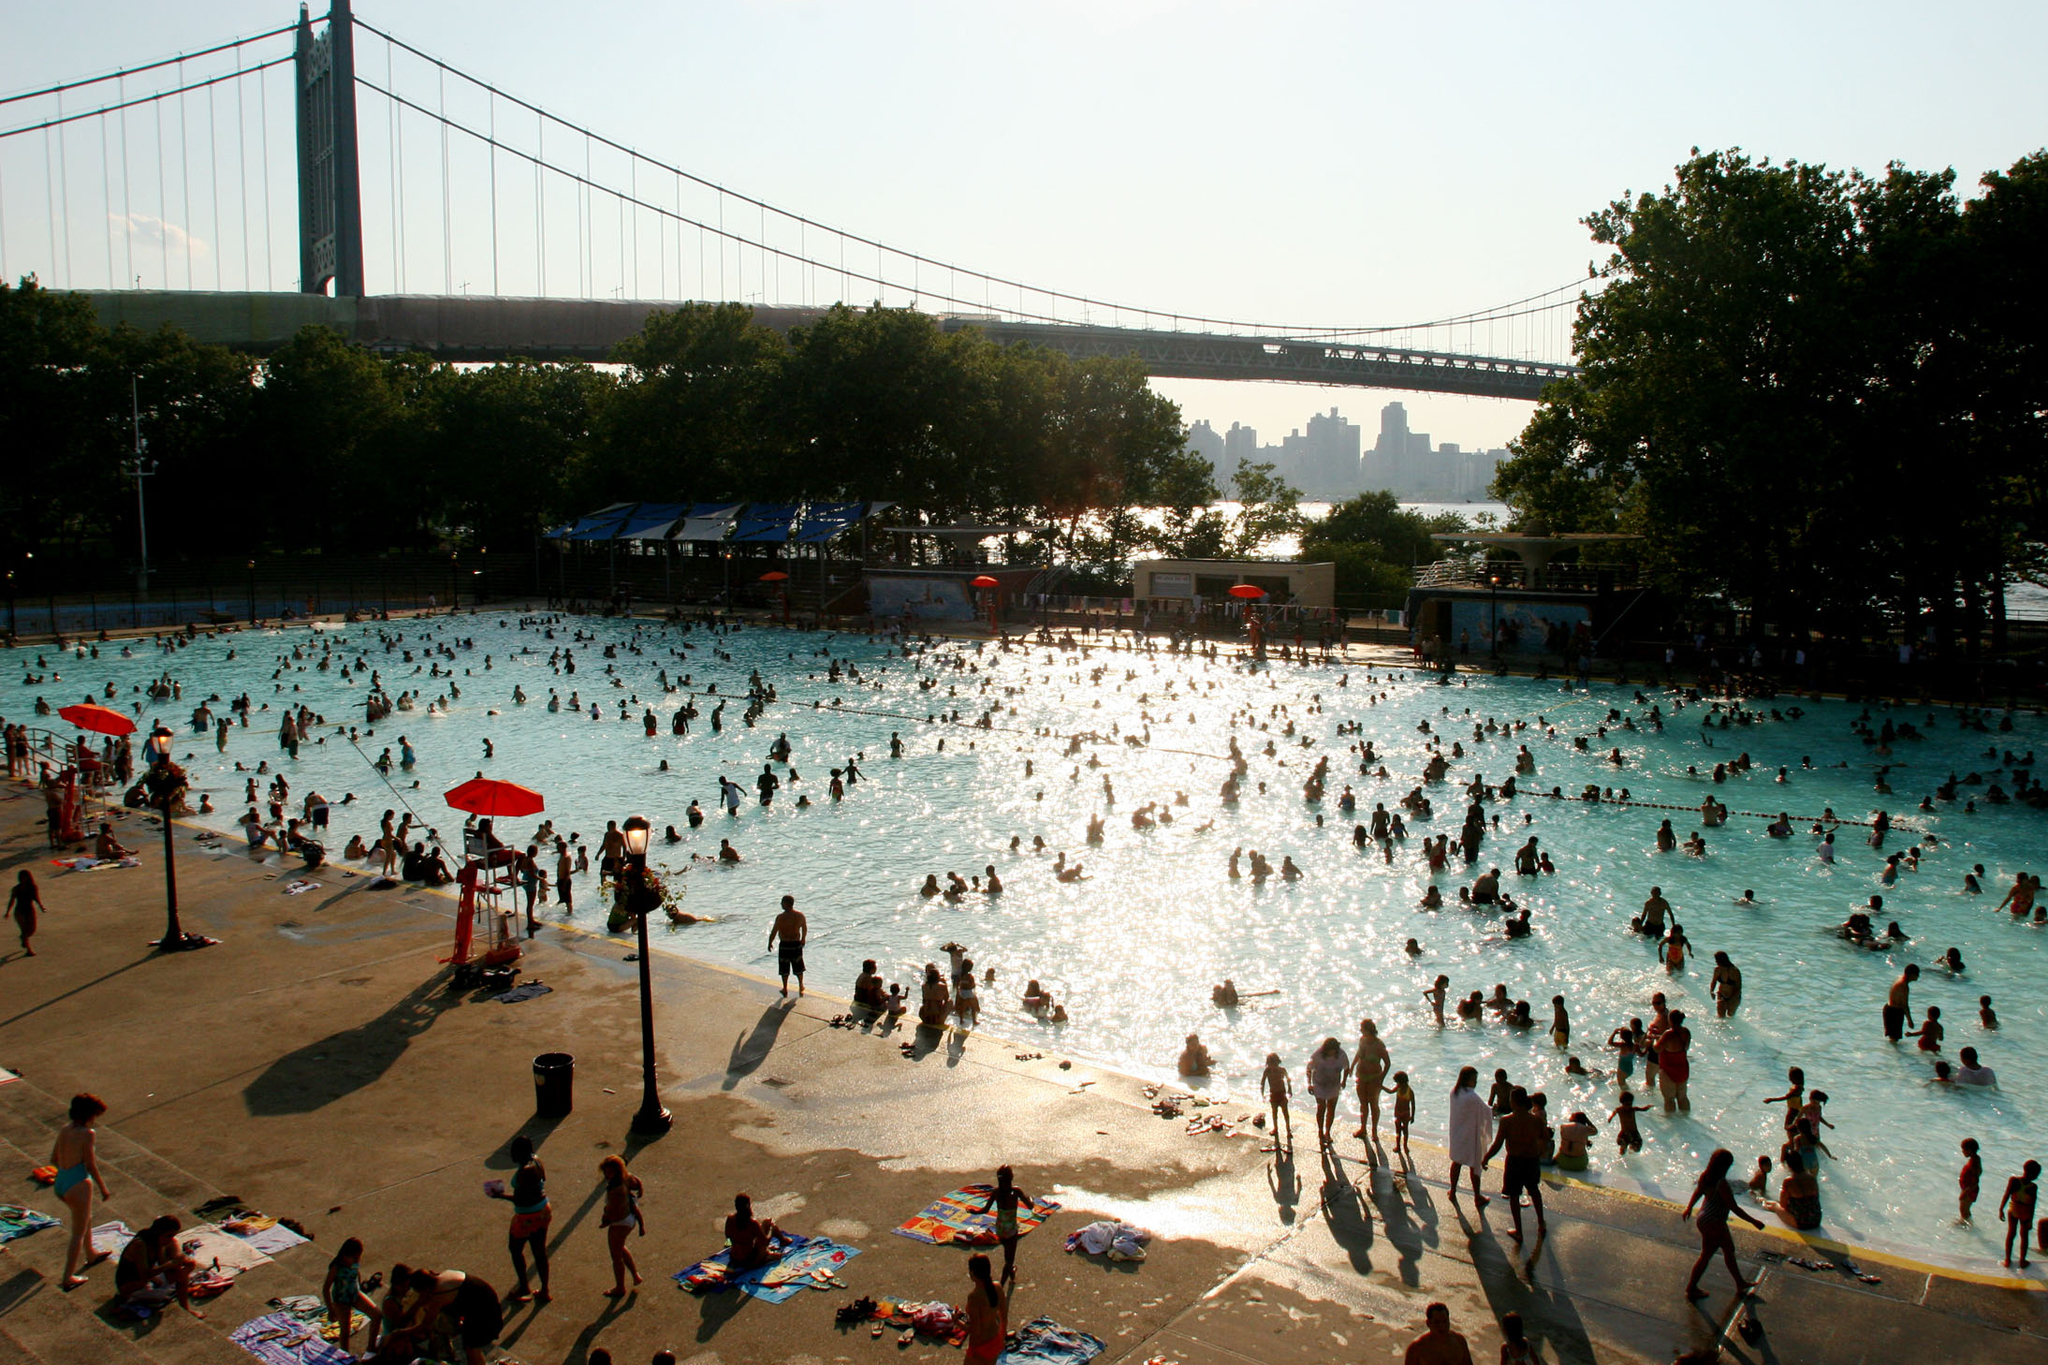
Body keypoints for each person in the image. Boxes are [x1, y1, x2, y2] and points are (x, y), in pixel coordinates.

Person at [1680, 1148, 1763, 1300]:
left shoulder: (1706, 1176)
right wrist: (1754, 1221)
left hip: (1704, 1218)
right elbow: (1734, 1207)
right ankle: (1692, 1287)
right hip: (1715, 1221)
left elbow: (1698, 1192)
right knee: (1711, 1254)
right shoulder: (1721, 1184)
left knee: (1727, 1250)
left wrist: (1689, 1208)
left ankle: (1739, 1282)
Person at [51, 1093, 111, 1289]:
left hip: (61, 1182)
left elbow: (54, 1158)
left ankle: (91, 1252)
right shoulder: (87, 1134)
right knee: (77, 1233)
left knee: (85, 1218)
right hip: (78, 1184)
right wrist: (103, 1188)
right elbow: (91, 1164)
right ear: (89, 1115)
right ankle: (68, 1277)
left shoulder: (65, 1129)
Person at [1482, 1087, 1548, 1241]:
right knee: (1534, 1190)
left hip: (1515, 1161)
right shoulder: (1536, 1120)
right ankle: (1541, 1223)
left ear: (1513, 1101)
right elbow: (1545, 1138)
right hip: (1531, 1160)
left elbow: (1498, 1144)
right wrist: (1540, 1152)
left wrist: (1486, 1158)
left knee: (1513, 1195)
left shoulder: (1507, 1121)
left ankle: (1519, 1230)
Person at [490, 1136, 551, 1302]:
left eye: (514, 1151)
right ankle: (544, 1290)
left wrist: (500, 1196)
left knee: (516, 1249)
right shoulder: (536, 1160)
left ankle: (524, 1287)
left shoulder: (526, 1171)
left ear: (521, 1152)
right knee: (540, 1252)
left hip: (527, 1216)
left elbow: (521, 1199)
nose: (511, 1154)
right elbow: (540, 1184)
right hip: (542, 1210)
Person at [406, 1269, 503, 1365]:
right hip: (481, 1305)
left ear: (425, 1289)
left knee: (472, 1349)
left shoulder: (439, 1296)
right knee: (470, 1347)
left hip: (484, 1312)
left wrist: (398, 1334)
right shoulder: (443, 1277)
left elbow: (425, 1325)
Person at [115, 1215, 202, 1317]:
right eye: (169, 1236)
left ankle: (185, 1306)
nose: (170, 1239)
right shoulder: (140, 1245)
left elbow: (164, 1266)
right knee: (179, 1277)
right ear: (159, 1233)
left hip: (146, 1280)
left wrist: (183, 1263)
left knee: (180, 1274)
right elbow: (145, 1274)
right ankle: (182, 1305)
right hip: (130, 1286)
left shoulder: (158, 1242)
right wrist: (172, 1263)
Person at [973, 1165, 1035, 1278]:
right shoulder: (1016, 1191)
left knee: (1008, 1253)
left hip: (1000, 1229)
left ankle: (1011, 1271)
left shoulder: (996, 1192)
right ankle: (1001, 1285)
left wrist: (974, 1212)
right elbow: (1030, 1206)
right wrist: (1031, 1199)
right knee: (1009, 1259)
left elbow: (986, 1209)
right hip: (1011, 1230)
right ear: (1011, 1177)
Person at [322, 1237, 381, 1355]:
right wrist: (331, 1309)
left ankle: (371, 1347)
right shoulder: (336, 1267)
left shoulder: (354, 1262)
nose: (357, 1260)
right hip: (341, 1300)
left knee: (377, 1315)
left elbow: (356, 1274)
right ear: (345, 1255)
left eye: (358, 1257)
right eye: (354, 1257)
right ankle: (345, 1355)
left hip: (354, 1294)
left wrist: (360, 1286)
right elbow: (326, 1289)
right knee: (345, 1330)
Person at [1446, 1066, 1493, 1206]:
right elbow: (1485, 1111)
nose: (1476, 1082)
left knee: (1456, 1162)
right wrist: (1494, 1110)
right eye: (1474, 1080)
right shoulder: (1472, 1097)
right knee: (1474, 1165)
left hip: (1457, 1134)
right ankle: (1477, 1196)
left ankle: (1453, 1191)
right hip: (1470, 1137)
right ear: (1468, 1080)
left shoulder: (1454, 1092)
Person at [599, 1155, 646, 1296]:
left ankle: (620, 1287)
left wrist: (606, 1219)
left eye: (610, 1172)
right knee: (621, 1248)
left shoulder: (616, 1190)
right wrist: (641, 1188)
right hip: (629, 1218)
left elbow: (614, 1210)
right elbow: (636, 1181)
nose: (607, 1175)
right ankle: (635, 1275)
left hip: (620, 1222)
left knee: (616, 1256)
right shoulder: (625, 1178)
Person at [963, 1252, 1014, 1365]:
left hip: (980, 1346)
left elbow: (974, 1330)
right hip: (995, 1340)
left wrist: (956, 1321)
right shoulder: (997, 1287)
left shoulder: (974, 1297)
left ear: (972, 1273)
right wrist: (1002, 1338)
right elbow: (1004, 1316)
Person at [1305, 1037, 1350, 1148]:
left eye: (1335, 1050)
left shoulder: (1341, 1055)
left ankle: (1327, 1132)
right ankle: (1320, 1130)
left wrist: (1344, 1081)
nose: (1333, 1052)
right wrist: (1309, 1083)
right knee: (1321, 1108)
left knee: (1331, 1108)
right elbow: (1309, 1069)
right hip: (1319, 1084)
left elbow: (1346, 1067)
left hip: (1334, 1085)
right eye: (1331, 1050)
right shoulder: (1317, 1055)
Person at [1353, 1019, 1392, 1146]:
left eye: (1362, 1028)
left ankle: (1374, 1131)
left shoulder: (1379, 1045)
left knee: (1373, 1104)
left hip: (1374, 1078)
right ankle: (1363, 1128)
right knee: (1363, 1103)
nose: (1360, 1030)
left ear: (1369, 1029)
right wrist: (1352, 1066)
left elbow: (1387, 1063)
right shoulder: (1362, 1040)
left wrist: (1381, 1078)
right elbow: (1359, 1054)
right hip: (1361, 1077)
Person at [1763, 1149, 1822, 1231]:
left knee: (1774, 1205)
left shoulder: (1789, 1181)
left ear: (1789, 1165)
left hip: (1801, 1223)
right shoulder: (1812, 1178)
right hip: (1816, 1220)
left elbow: (1783, 1204)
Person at [1403, 1301, 1475, 1365]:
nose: (1442, 1326)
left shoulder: (1459, 1341)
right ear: (1428, 1323)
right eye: (1437, 1322)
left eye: (1445, 1321)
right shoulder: (1417, 1348)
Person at [1999, 1160, 2039, 1268]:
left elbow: (2007, 1195)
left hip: (2014, 1209)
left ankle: (2008, 1260)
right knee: (2024, 1236)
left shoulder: (2014, 1181)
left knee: (2011, 1234)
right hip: (2025, 1212)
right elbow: (2032, 1205)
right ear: (2032, 1174)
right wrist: (2031, 1220)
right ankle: (2022, 1261)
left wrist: (2001, 1208)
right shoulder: (2033, 1187)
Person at [725, 1193, 780, 1271]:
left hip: (734, 1257)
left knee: (766, 1222)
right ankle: (782, 1240)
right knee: (778, 1256)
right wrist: (772, 1231)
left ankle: (782, 1240)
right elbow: (765, 1242)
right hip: (749, 1260)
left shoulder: (730, 1219)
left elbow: (728, 1237)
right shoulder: (752, 1223)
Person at [768, 894, 806, 997]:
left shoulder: (780, 917)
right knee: (798, 966)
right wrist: (803, 939)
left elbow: (774, 931)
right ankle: (800, 986)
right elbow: (804, 928)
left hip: (785, 944)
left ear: (786, 904)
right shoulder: (800, 915)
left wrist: (770, 942)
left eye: (782, 903)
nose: (781, 904)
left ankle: (785, 988)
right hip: (795, 944)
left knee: (784, 968)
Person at [7, 869, 46, 957]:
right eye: (21, 877)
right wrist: (8, 911)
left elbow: (36, 898)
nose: (23, 879)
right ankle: (28, 950)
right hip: (19, 911)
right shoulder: (16, 888)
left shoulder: (33, 887)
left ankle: (23, 939)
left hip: (29, 910)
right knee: (24, 930)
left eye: (24, 877)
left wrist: (41, 906)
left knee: (31, 930)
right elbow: (12, 900)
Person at [1260, 1052, 1294, 1149]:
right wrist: (1262, 1093)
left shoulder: (1282, 1070)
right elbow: (1263, 1082)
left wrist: (1290, 1089)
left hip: (1282, 1094)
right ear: (1268, 1064)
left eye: (1275, 1064)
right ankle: (1276, 1128)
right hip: (1273, 1095)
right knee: (1274, 1113)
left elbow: (1288, 1080)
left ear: (1278, 1063)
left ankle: (1288, 1130)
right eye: (1271, 1064)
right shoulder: (1267, 1071)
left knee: (1285, 1113)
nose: (1273, 1066)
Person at [1959, 1138, 1983, 1225]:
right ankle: (1966, 1224)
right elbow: (1980, 1172)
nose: (1962, 1151)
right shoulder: (1976, 1158)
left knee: (1964, 1210)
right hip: (1969, 1188)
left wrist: (1965, 1192)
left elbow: (1975, 1181)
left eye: (1963, 1149)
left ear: (1969, 1150)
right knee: (1965, 1210)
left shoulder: (1973, 1162)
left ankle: (1967, 1226)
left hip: (1970, 1190)